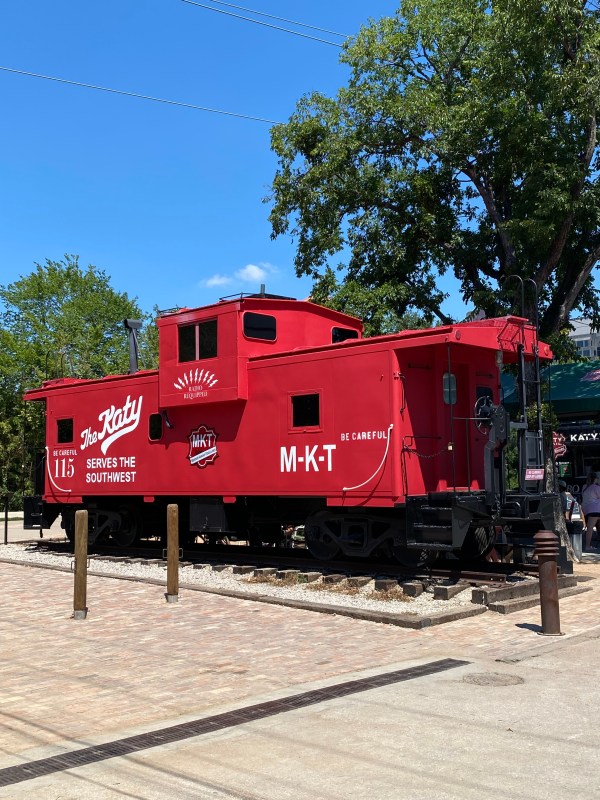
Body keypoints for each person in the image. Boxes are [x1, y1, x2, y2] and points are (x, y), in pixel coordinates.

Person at [580, 471, 600, 551]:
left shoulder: (584, 487)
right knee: (590, 528)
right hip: (595, 509)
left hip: (586, 509)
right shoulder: (596, 487)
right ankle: (587, 546)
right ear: (595, 479)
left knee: (591, 527)